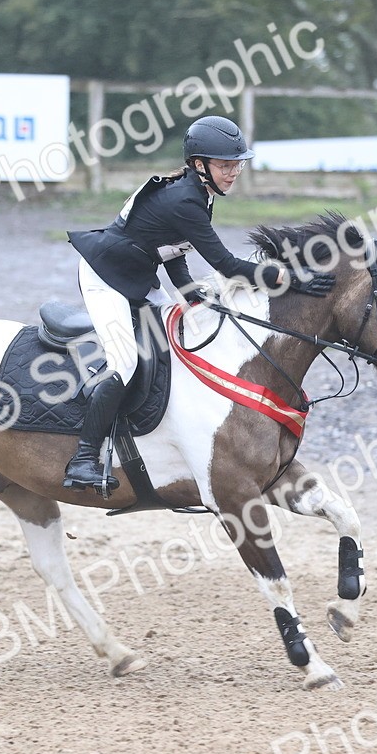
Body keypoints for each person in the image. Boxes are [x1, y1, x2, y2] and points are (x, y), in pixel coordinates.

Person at [62, 115, 333, 492]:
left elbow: (173, 252)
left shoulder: (198, 193)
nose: (234, 171)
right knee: (123, 362)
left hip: (137, 276)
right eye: (225, 165)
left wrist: (190, 294)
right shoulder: (184, 199)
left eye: (237, 163)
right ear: (199, 164)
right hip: (104, 277)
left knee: (183, 332)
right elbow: (225, 265)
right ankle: (84, 458)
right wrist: (291, 278)